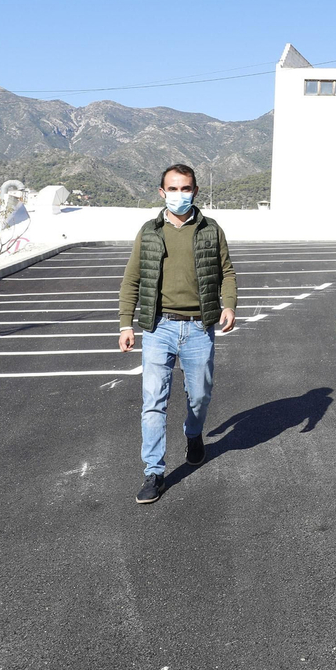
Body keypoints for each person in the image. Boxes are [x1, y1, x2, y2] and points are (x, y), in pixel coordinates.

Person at [118, 163, 237, 505]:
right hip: (159, 327)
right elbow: (132, 278)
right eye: (173, 189)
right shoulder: (150, 231)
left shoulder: (211, 230)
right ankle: (153, 472)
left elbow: (227, 272)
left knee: (199, 397)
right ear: (162, 192)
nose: (179, 195)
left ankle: (193, 433)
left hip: (199, 327)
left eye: (185, 188)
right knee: (153, 402)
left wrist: (229, 305)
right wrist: (126, 324)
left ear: (195, 191)